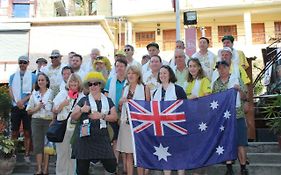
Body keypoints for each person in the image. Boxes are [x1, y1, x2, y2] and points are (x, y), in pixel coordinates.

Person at [70, 72, 118, 175]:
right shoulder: (83, 100)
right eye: (90, 84)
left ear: (100, 85)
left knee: (111, 165)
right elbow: (73, 117)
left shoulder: (108, 101)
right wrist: (82, 110)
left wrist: (102, 116)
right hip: (85, 138)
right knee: (81, 170)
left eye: (95, 84)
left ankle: (95, 165)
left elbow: (114, 117)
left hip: (102, 138)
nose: (93, 86)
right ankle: (92, 164)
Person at [212, 61, 248, 175]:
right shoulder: (216, 83)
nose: (221, 70)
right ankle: (229, 168)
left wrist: (239, 90)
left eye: (223, 67)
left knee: (240, 143)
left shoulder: (237, 79)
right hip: (224, 118)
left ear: (228, 68)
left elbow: (245, 97)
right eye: (219, 68)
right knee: (226, 142)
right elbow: (214, 101)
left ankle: (243, 168)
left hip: (238, 116)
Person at [153, 65, 186, 175]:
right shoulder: (155, 92)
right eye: (160, 73)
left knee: (178, 152)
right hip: (161, 128)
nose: (162, 75)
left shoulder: (178, 89)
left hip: (176, 126)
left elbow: (185, 108)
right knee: (164, 153)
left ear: (170, 74)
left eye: (165, 73)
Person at [117, 65, 150, 175]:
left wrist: (133, 103)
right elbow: (120, 108)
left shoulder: (145, 88)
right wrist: (121, 103)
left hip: (140, 125)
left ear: (138, 75)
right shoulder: (124, 88)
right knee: (128, 153)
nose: (130, 75)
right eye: (129, 73)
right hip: (126, 124)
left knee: (140, 153)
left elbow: (148, 108)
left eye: (133, 73)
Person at [53, 73, 85, 175]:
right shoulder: (62, 93)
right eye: (71, 81)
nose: (73, 83)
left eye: (75, 81)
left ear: (79, 83)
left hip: (75, 129)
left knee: (73, 155)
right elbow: (54, 109)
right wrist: (62, 104)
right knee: (62, 154)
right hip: (62, 128)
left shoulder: (82, 96)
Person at [8, 55, 37, 163]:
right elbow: (10, 90)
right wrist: (17, 102)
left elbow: (34, 92)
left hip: (27, 106)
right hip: (16, 106)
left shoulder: (33, 76)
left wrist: (23, 101)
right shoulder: (12, 76)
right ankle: (12, 153)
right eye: (20, 62)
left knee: (27, 132)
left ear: (28, 63)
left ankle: (26, 154)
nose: (22, 64)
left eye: (24, 62)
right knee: (14, 131)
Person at [26, 72, 54, 175]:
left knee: (47, 145)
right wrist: (37, 108)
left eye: (43, 80)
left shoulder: (52, 92)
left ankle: (46, 169)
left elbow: (55, 108)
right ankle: (39, 169)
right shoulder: (34, 93)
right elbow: (28, 111)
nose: (41, 82)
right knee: (38, 145)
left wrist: (53, 120)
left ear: (47, 81)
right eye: (39, 80)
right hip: (36, 121)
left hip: (48, 121)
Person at [104, 58, 128, 169]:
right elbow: (106, 96)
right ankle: (115, 164)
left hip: (126, 113)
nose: (119, 68)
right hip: (113, 111)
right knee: (114, 138)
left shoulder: (129, 80)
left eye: (121, 66)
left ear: (125, 67)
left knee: (124, 138)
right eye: (117, 66)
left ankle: (125, 167)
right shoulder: (110, 81)